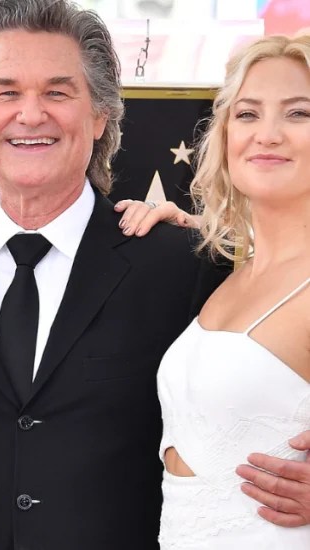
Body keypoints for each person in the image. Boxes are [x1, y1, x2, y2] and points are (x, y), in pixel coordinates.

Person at [0, 1, 310, 549]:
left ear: (100, 115)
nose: (31, 114)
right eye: (6, 92)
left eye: (57, 92)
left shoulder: (187, 264)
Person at [114, 32, 310, 548]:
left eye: (298, 113)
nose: (267, 134)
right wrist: (189, 226)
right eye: (247, 114)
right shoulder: (235, 269)